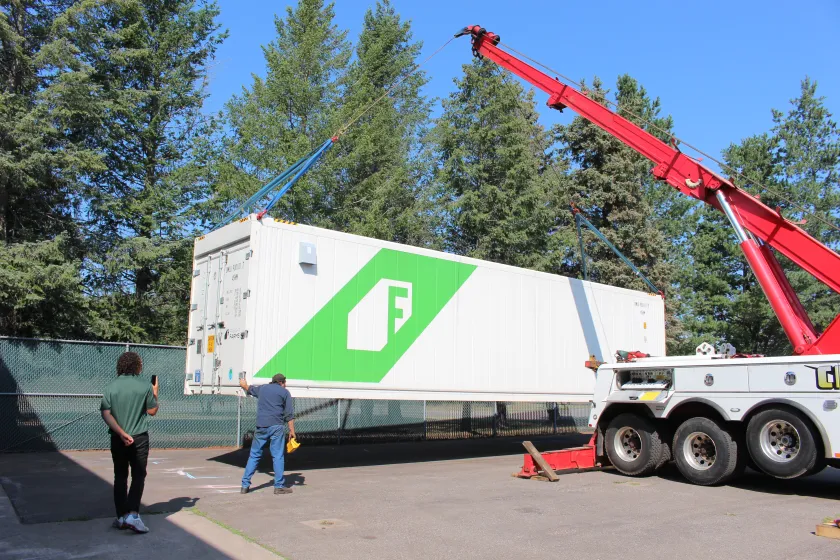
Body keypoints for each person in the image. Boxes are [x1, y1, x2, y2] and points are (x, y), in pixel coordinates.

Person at [100, 351, 158, 534]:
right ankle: (133, 515)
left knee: (120, 476)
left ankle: (121, 517)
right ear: (137, 366)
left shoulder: (111, 386)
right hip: (139, 437)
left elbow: (106, 413)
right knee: (138, 475)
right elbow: (152, 411)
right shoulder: (145, 386)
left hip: (117, 438)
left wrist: (121, 433)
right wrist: (155, 393)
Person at [239, 373, 296, 495]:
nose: (285, 385)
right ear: (281, 382)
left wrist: (243, 384)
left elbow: (249, 389)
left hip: (261, 426)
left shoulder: (263, 388)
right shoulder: (285, 392)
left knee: (254, 455)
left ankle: (245, 485)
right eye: (285, 383)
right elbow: (289, 415)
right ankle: (279, 486)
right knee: (277, 456)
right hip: (276, 426)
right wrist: (292, 431)